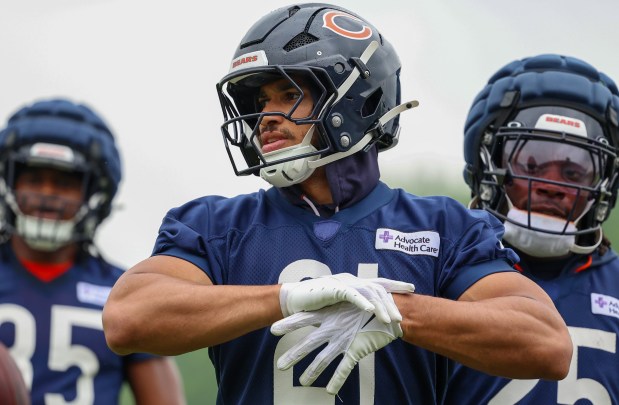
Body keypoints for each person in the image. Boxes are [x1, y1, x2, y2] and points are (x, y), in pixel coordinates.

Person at [102, 4, 572, 404]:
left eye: (289, 94)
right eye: (259, 101)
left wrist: (391, 311)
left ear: (357, 101)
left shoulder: (443, 226)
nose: (266, 118)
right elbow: (129, 318)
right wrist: (284, 298)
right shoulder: (218, 225)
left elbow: (545, 344)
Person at [443, 54, 619, 404]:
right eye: (532, 162)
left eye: (573, 172)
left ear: (602, 185)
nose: (551, 186)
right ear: (488, 168)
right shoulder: (439, 271)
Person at [0, 98, 185, 405]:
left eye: (63, 183)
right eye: (33, 179)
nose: (47, 195)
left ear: (96, 194)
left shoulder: (126, 292)